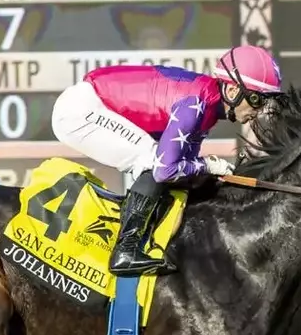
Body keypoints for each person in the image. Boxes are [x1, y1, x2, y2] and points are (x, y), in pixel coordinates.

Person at [51, 45, 283, 276]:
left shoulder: (207, 107)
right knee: (153, 161)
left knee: (171, 170)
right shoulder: (194, 104)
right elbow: (165, 170)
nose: (259, 109)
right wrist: (209, 164)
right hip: (80, 111)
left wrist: (214, 173)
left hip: (91, 103)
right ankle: (126, 251)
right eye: (257, 99)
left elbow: (185, 169)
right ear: (232, 91)